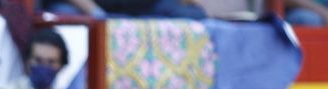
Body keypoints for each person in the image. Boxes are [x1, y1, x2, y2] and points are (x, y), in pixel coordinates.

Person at [41, 0, 205, 18]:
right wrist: (95, 12)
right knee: (65, 15)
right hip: (90, 7)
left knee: (193, 14)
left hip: (141, 7)